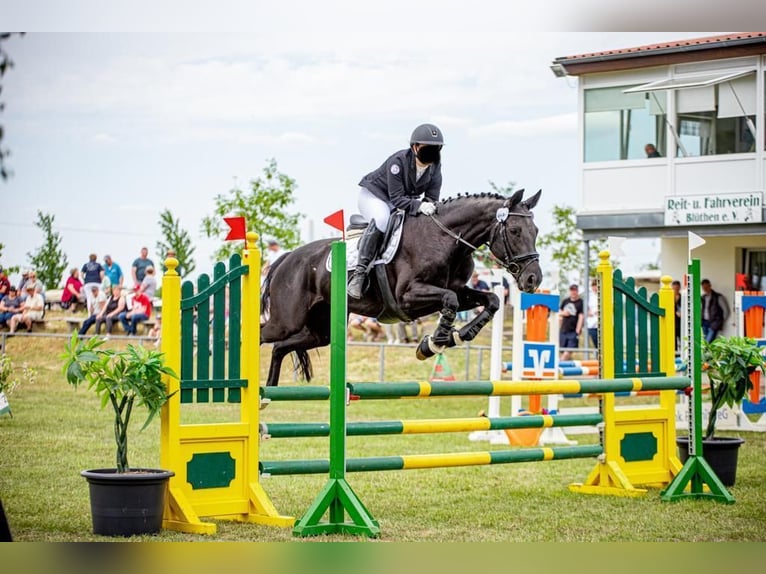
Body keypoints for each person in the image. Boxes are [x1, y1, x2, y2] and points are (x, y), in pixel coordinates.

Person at [347, 123, 444, 299]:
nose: (432, 152)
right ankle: (359, 275)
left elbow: (431, 198)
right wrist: (419, 206)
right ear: (415, 147)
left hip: (401, 201)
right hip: (374, 196)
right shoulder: (398, 162)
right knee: (383, 220)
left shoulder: (435, 167)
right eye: (428, 148)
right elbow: (397, 198)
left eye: (436, 148)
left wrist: (428, 208)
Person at [559, 284, 584, 361]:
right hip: (564, 329)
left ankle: (559, 364)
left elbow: (581, 316)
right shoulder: (565, 301)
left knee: (569, 350)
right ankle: (563, 365)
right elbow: (559, 311)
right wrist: (564, 313)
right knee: (563, 350)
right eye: (572, 290)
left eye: (575, 290)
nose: (573, 292)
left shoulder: (580, 302)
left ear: (577, 291)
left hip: (573, 330)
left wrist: (578, 329)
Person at [700, 279, 729, 343]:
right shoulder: (702, 297)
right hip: (704, 322)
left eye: (706, 287)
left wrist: (720, 321)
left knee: (707, 341)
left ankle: (704, 352)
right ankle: (708, 353)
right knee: (706, 341)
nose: (705, 289)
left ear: (710, 286)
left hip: (714, 323)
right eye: (703, 288)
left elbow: (726, 310)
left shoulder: (718, 297)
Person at [586, 278, 599, 348]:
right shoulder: (589, 296)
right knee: (596, 344)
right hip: (592, 324)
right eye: (593, 285)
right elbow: (586, 308)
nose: (595, 287)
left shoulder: (604, 295)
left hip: (600, 323)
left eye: (596, 285)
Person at [672, 280, 682, 354]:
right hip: (672, 321)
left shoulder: (682, 297)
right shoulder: (669, 298)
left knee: (681, 338)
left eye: (677, 288)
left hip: (681, 321)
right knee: (673, 339)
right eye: (674, 288)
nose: (676, 290)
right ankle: (674, 354)